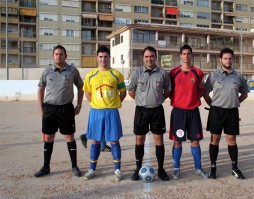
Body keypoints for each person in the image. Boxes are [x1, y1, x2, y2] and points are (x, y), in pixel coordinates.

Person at [34, 45, 84, 177]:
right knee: (49, 137)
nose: (58, 56)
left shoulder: (72, 71)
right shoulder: (46, 72)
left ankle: (74, 166)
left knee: (69, 137)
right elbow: (40, 89)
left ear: (66, 56)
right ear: (52, 56)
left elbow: (80, 87)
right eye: (56, 54)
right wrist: (41, 109)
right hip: (49, 108)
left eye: (61, 54)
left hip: (66, 108)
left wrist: (78, 105)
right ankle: (45, 167)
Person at [204, 48, 249, 180]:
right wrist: (212, 105)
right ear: (220, 59)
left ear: (233, 59)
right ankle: (213, 169)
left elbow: (245, 94)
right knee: (215, 140)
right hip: (216, 111)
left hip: (232, 112)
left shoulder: (238, 76)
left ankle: (235, 169)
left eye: (230, 58)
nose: (228, 60)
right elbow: (205, 93)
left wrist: (235, 102)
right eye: (225, 58)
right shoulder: (214, 75)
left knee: (231, 140)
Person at [127, 46, 171, 181]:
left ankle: (161, 169)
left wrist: (159, 99)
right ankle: (137, 168)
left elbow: (168, 90)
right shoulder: (137, 73)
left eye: (152, 56)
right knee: (139, 139)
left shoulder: (163, 73)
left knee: (158, 140)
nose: (149, 59)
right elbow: (131, 90)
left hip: (157, 110)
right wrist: (141, 101)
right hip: (141, 110)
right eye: (146, 56)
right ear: (143, 58)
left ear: (156, 57)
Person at [83, 46, 126, 181]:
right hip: (96, 112)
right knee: (96, 140)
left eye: (105, 56)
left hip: (112, 112)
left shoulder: (116, 75)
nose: (103, 59)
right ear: (97, 58)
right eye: (100, 57)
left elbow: (123, 92)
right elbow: (88, 93)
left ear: (109, 57)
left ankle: (117, 169)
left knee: (114, 140)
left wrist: (113, 104)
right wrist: (97, 104)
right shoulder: (90, 75)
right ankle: (92, 169)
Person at [169, 44, 208, 180]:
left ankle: (198, 168)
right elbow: (169, 91)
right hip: (179, 112)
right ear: (180, 55)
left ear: (192, 55)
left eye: (188, 53)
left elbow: (201, 90)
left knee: (195, 141)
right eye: (184, 53)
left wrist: (193, 99)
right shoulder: (173, 73)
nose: (186, 56)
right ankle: (176, 168)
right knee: (177, 142)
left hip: (193, 112)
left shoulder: (198, 72)